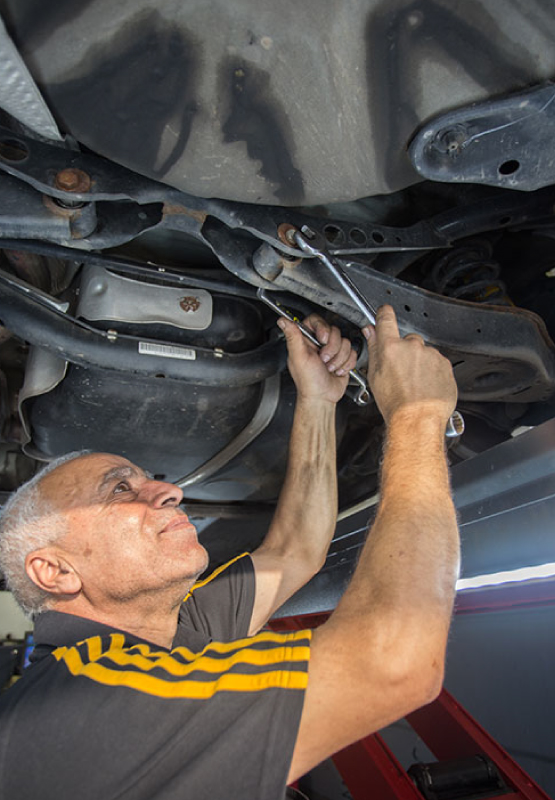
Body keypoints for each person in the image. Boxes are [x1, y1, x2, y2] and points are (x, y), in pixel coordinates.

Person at [0, 305, 459, 800]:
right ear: (55, 570)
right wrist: (417, 417)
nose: (169, 491)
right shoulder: (78, 699)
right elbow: (393, 661)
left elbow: (293, 551)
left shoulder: (170, 632)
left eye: (149, 479)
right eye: (118, 490)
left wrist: (319, 400)